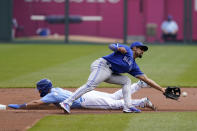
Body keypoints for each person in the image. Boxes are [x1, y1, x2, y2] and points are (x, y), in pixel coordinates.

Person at [60, 41, 165, 114]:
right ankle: (67, 102)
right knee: (91, 85)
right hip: (102, 65)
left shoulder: (133, 66)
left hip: (109, 73)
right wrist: (118, 48)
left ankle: (128, 107)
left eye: (143, 50)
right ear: (134, 48)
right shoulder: (127, 50)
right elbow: (111, 46)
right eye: (141, 48)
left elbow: (146, 79)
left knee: (126, 81)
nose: (142, 51)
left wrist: (161, 89)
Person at [8, 79, 156, 111]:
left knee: (113, 104)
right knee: (113, 96)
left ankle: (141, 102)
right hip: (87, 93)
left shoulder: (50, 96)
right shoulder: (56, 89)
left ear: (43, 89)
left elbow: (37, 103)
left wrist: (21, 106)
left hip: (85, 100)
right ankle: (138, 85)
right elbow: (47, 101)